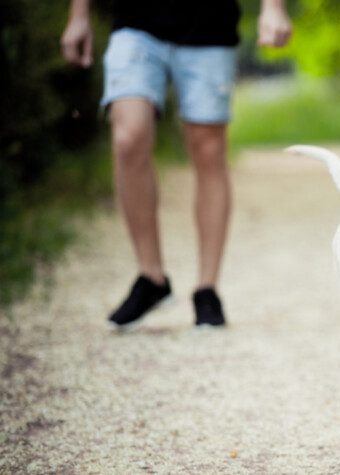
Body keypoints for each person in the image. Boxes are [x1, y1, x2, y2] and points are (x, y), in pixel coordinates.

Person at [61, 0, 292, 330]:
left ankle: (207, 288)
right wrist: (79, 15)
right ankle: (151, 276)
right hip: (134, 23)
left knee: (208, 149)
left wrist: (273, 7)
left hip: (210, 26)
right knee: (128, 136)